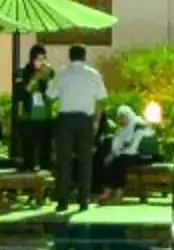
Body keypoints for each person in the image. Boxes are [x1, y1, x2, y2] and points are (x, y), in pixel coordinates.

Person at [49, 44, 107, 208]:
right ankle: (84, 200)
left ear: (70, 56)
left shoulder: (62, 73)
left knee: (64, 160)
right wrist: (96, 120)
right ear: (84, 56)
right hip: (85, 120)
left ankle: (62, 200)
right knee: (85, 160)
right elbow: (101, 99)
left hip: (65, 119)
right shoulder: (94, 75)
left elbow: (51, 95)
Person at [12, 44, 54, 168]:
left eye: (43, 59)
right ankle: (28, 184)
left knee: (45, 155)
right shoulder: (22, 73)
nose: (41, 63)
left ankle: (44, 183)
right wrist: (35, 78)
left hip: (45, 119)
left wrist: (47, 80)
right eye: (38, 59)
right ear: (31, 59)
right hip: (27, 119)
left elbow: (53, 94)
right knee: (28, 155)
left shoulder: (48, 73)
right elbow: (20, 93)